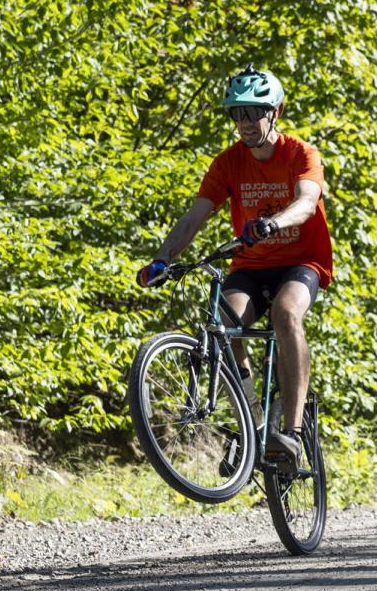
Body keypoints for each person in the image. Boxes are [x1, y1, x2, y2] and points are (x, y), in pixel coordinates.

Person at [136, 65, 332, 466]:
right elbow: (194, 218)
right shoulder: (227, 163)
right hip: (252, 265)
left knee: (286, 312)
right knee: (224, 326)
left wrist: (273, 223)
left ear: (274, 111)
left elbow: (307, 202)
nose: (244, 122)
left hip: (300, 261)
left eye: (253, 112)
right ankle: (254, 426)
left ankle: (292, 432)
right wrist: (161, 259)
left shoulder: (300, 153)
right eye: (237, 113)